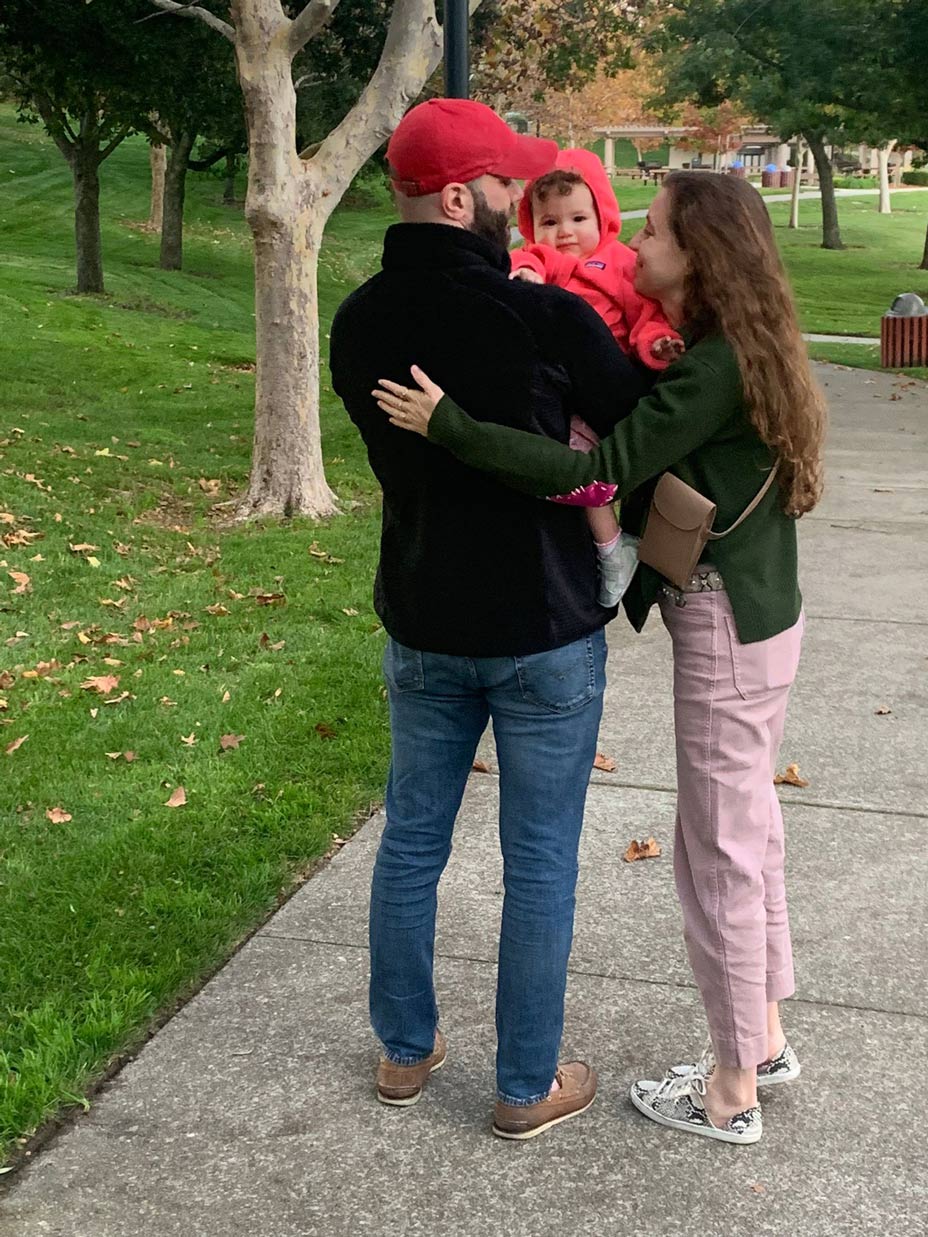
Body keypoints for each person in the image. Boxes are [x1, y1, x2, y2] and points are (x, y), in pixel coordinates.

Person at [374, 171, 827, 1145]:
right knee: (747, 833)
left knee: (717, 854)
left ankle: (731, 1089)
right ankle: (767, 1038)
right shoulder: (718, 350)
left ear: (699, 257)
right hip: (755, 611)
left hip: (728, 619)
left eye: (654, 233)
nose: (632, 246)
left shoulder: (710, 370)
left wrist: (450, 425)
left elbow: (591, 474)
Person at [329, 97, 650, 1140]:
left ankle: (403, 1049)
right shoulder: (540, 315)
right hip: (543, 625)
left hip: (422, 613)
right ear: (462, 196)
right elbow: (632, 426)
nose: (522, 204)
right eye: (509, 187)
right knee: (541, 855)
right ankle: (524, 1085)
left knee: (412, 836)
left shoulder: (359, 319)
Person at [509, 149, 683, 608]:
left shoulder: (622, 264)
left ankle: (612, 547)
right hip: (558, 387)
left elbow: (647, 315)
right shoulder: (538, 258)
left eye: (578, 218)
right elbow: (521, 269)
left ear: (602, 216)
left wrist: (657, 343)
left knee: (579, 465)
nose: (564, 232)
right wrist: (525, 272)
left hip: (609, 383)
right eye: (549, 222)